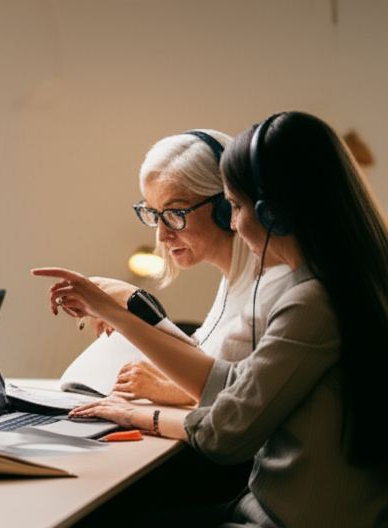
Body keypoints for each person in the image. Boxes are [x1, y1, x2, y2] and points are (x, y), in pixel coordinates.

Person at [39, 112, 388, 527]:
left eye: (236, 206)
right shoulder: (339, 282)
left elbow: (224, 433)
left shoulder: (309, 301)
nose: (237, 224)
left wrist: (134, 413)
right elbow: (237, 383)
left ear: (274, 213)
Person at [74, 130, 289, 406]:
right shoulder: (233, 280)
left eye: (175, 213)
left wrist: (131, 304)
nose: (162, 236)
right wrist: (132, 305)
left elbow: (232, 391)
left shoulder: (268, 289)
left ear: (226, 206)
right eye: (153, 213)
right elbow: (204, 354)